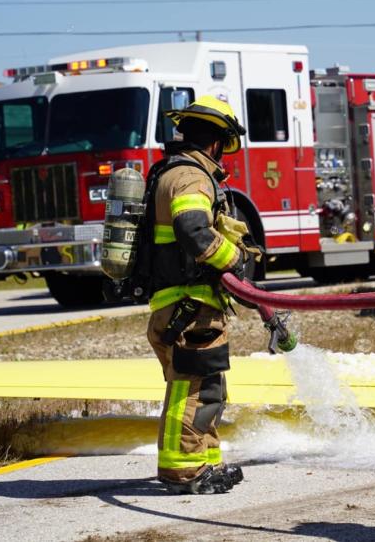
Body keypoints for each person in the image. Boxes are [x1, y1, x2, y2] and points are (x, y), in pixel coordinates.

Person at [144, 95, 254, 495]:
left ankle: (207, 464)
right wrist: (234, 259)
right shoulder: (192, 178)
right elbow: (193, 231)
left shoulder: (170, 171)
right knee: (191, 391)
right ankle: (183, 472)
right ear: (216, 142)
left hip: (179, 307)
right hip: (190, 309)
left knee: (207, 389)